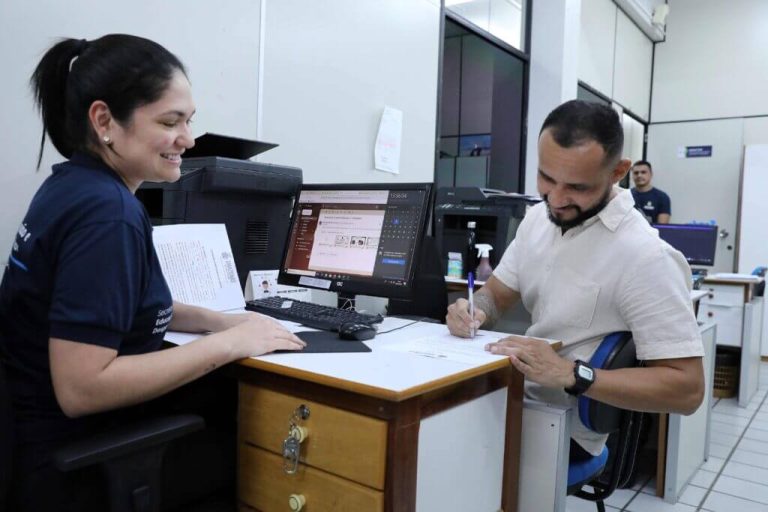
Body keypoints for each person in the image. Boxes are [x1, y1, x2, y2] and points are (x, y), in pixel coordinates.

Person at [0, 34, 305, 511]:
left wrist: (219, 321)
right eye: (171, 121)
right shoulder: (106, 214)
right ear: (104, 121)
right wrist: (227, 346)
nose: (189, 138)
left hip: (39, 444)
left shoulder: (74, 187)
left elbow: (131, 305)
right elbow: (81, 388)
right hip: (75, 466)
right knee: (264, 442)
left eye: (189, 120)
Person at [446, 100, 704, 462]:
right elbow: (496, 295)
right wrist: (474, 310)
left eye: (578, 187)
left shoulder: (645, 257)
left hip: (563, 428)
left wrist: (572, 374)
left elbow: (687, 390)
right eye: (546, 178)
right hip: (514, 395)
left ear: (618, 172)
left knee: (435, 452)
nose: (557, 199)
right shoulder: (538, 219)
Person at [630, 160, 671, 224]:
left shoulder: (662, 197)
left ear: (651, 174)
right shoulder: (625, 196)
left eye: (643, 172)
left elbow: (662, 227)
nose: (639, 175)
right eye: (636, 173)